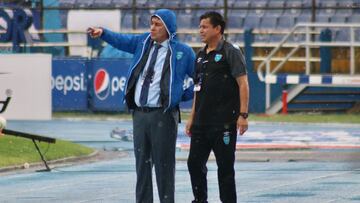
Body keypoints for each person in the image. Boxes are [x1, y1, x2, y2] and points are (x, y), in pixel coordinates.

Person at [88, 9, 195, 203]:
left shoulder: (183, 52)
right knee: (142, 167)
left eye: (157, 24)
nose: (152, 27)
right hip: (139, 115)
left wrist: (180, 96)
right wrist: (103, 32)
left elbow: (199, 80)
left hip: (163, 115)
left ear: (168, 28)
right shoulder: (143, 42)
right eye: (151, 23)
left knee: (164, 167)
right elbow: (121, 40)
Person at [185, 11, 249, 203]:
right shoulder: (199, 56)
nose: (200, 30)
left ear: (218, 29)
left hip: (224, 124)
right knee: (194, 164)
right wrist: (191, 117)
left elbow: (243, 84)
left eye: (204, 26)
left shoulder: (231, 51)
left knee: (225, 169)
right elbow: (198, 89)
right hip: (201, 123)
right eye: (200, 26)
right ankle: (200, 200)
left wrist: (243, 115)